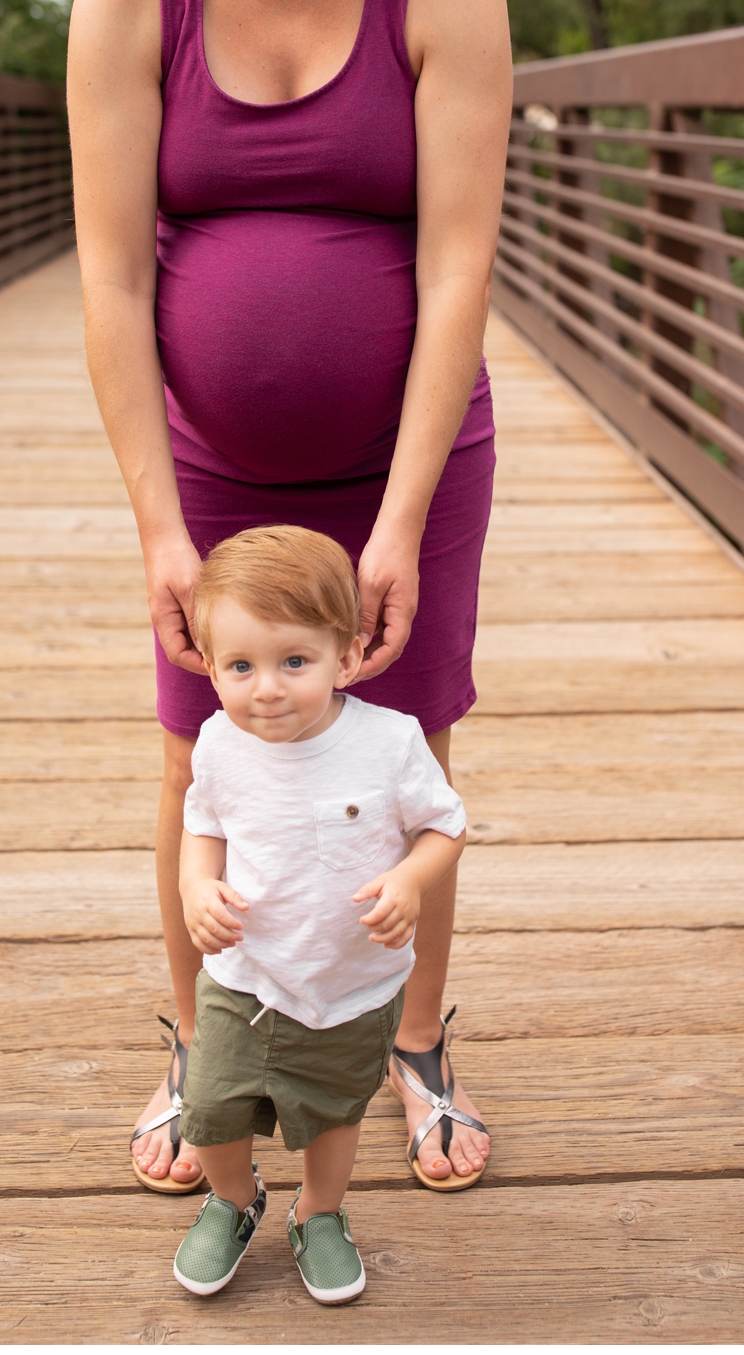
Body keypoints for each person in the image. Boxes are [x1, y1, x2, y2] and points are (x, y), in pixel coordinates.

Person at [68, 0, 510, 1194]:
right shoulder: (131, 0)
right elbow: (114, 279)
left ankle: (412, 1045)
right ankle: (207, 1060)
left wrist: (396, 520)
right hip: (214, 476)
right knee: (202, 763)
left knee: (407, 758)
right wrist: (157, 530)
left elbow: (459, 268)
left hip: (408, 465)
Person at [168, 525, 467, 1301]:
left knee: (334, 1116)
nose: (265, 687)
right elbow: (202, 827)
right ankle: (233, 1200)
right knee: (212, 1108)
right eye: (239, 666)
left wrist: (409, 879)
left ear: (347, 654)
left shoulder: (389, 742)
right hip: (244, 976)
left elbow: (446, 824)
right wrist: (197, 889)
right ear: (211, 666)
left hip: (350, 983)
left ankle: (321, 1213)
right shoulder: (218, 743)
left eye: (293, 661)